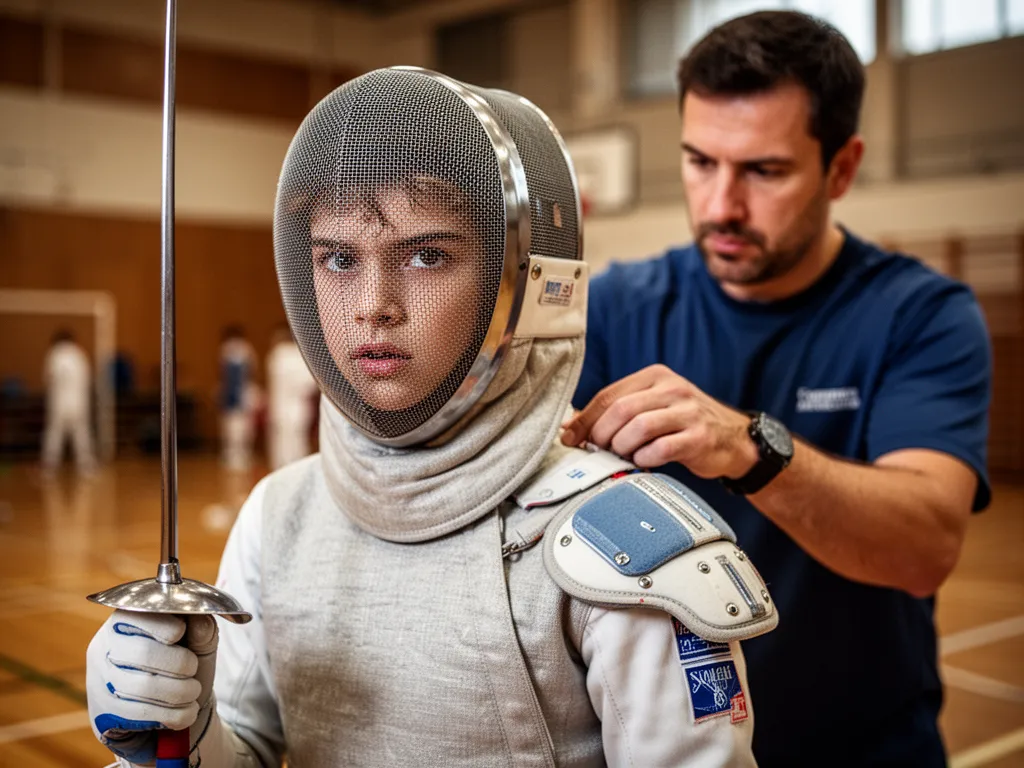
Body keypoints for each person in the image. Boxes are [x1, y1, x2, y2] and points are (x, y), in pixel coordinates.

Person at [84, 67, 775, 767]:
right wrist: (181, 740)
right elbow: (251, 747)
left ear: (527, 281)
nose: (372, 304)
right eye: (339, 258)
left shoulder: (622, 547)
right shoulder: (280, 514)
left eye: (426, 255)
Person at [561, 11, 992, 768]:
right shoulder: (621, 305)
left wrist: (750, 449)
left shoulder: (920, 315)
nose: (721, 205)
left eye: (764, 171)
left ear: (842, 168)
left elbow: (925, 545)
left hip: (865, 750)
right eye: (700, 162)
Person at [41, 329, 96, 475]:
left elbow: (49, 378)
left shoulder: (55, 354)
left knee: (55, 432)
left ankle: (49, 466)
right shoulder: (79, 354)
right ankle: (86, 466)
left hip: (59, 402)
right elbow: (88, 379)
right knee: (81, 432)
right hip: (79, 401)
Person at [265, 324, 318, 470]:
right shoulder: (297, 355)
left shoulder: (276, 355)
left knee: (281, 440)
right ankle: (296, 470)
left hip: (279, 406)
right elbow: (310, 384)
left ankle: (281, 468)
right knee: (297, 440)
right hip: (297, 406)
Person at [218, 326, 257, 471]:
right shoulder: (229, 350)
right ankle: (235, 455)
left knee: (239, 427)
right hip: (233, 395)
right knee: (233, 427)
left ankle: (238, 455)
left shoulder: (244, 350)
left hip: (240, 394)